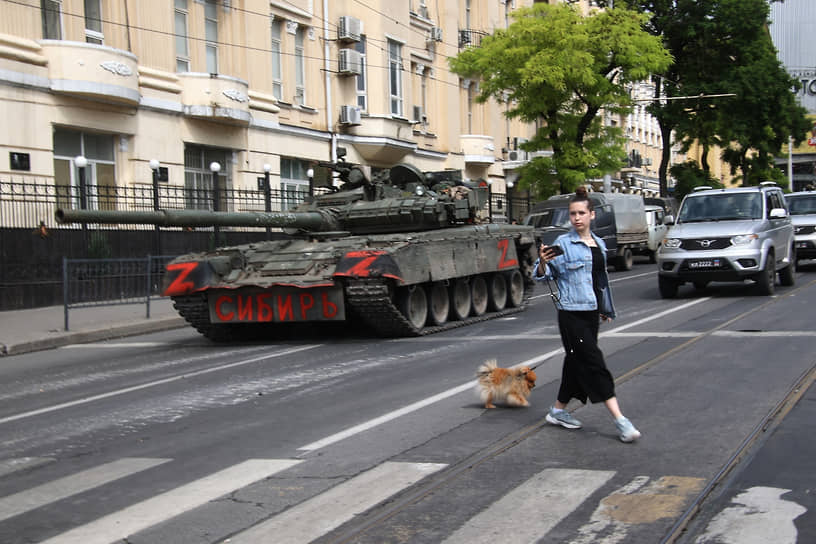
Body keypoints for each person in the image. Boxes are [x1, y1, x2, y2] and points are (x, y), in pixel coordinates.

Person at [533, 186, 641, 443]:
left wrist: (604, 308)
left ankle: (557, 411)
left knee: (574, 362)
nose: (576, 218)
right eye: (572, 214)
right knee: (594, 363)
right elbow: (542, 275)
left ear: (592, 215)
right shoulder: (563, 243)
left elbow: (598, 280)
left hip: (591, 313)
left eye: (581, 213)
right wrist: (543, 262)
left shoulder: (599, 244)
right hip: (571, 315)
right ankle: (620, 421)